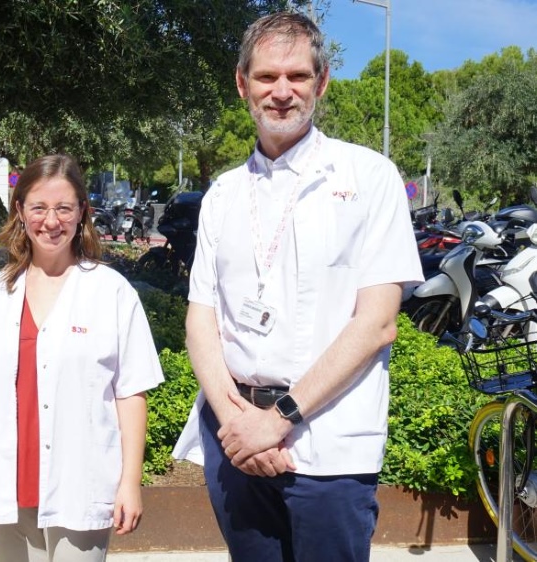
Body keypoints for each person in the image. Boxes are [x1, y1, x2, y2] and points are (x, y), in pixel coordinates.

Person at [171, 12, 423, 561]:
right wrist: (239, 423)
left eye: (298, 77)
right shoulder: (222, 195)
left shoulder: (369, 177)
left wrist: (278, 418)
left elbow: (378, 322)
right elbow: (201, 319)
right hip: (237, 445)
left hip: (327, 448)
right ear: (242, 86)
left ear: (321, 82)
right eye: (266, 77)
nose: (282, 91)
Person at [0, 154, 164, 561]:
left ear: (82, 211)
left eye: (64, 208)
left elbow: (131, 394)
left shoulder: (111, 292)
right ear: (20, 211)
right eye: (39, 208)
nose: (51, 221)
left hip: (79, 482)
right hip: (5, 483)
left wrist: (129, 483)